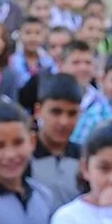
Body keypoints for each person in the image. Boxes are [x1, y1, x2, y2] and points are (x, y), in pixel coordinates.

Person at [31, 74, 82, 207]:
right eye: (56, 112)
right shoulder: (22, 157)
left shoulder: (85, 158)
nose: (64, 122)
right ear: (38, 111)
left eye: (72, 114)